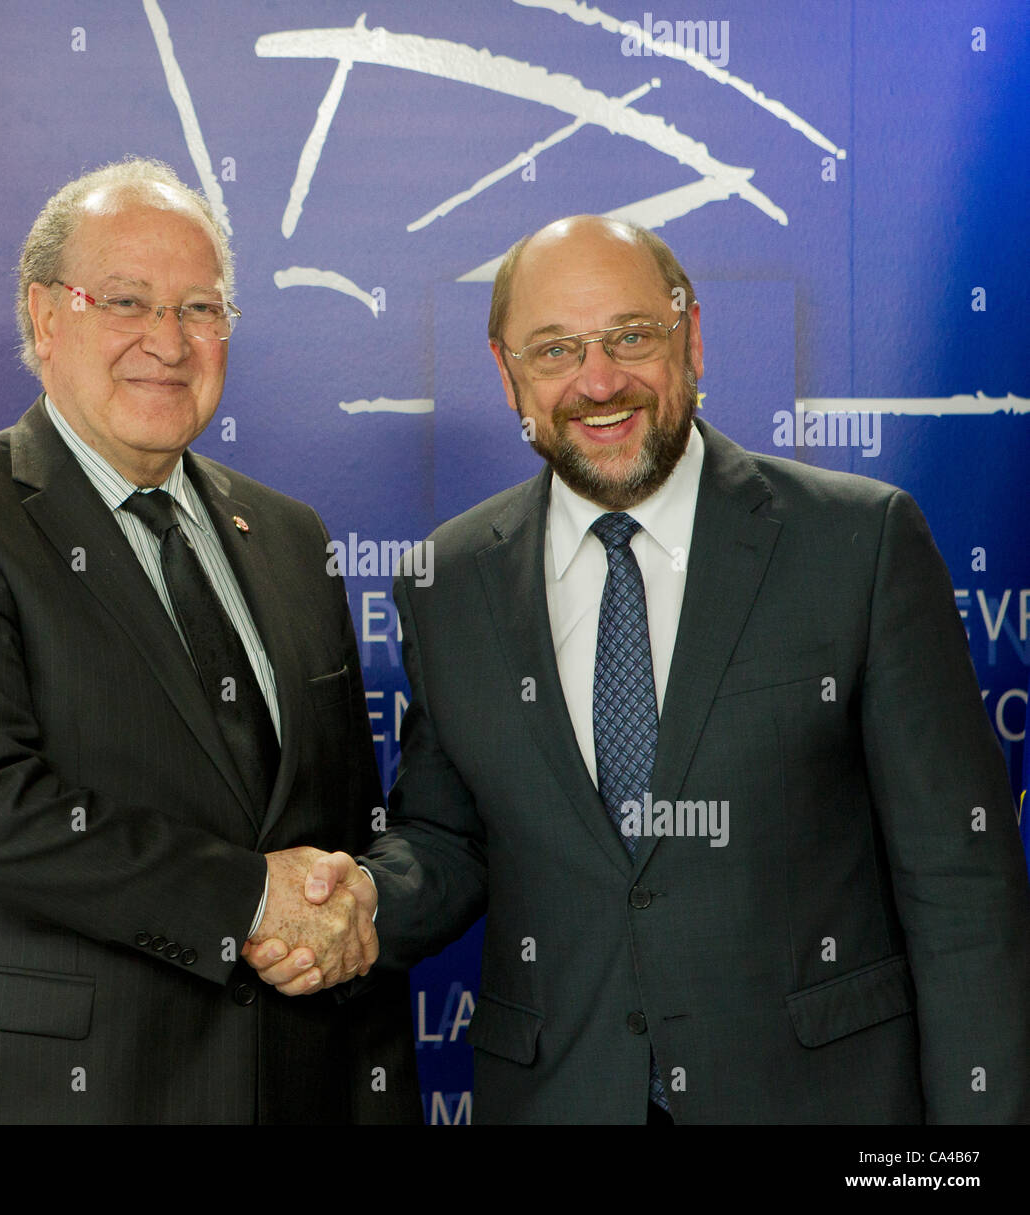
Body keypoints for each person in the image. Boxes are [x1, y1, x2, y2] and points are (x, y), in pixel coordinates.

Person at [248, 214, 1030, 1124]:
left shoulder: (858, 542)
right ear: (509, 377)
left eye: (631, 336)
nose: (599, 380)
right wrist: (364, 897)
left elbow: (962, 886)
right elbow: (450, 836)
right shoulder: (449, 579)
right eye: (556, 351)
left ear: (690, 338)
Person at [0, 157, 418, 1124]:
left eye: (201, 308)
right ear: (45, 315)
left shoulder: (291, 536)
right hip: (60, 1092)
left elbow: (336, 823)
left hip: (296, 1080)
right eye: (126, 300)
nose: (169, 340)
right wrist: (248, 900)